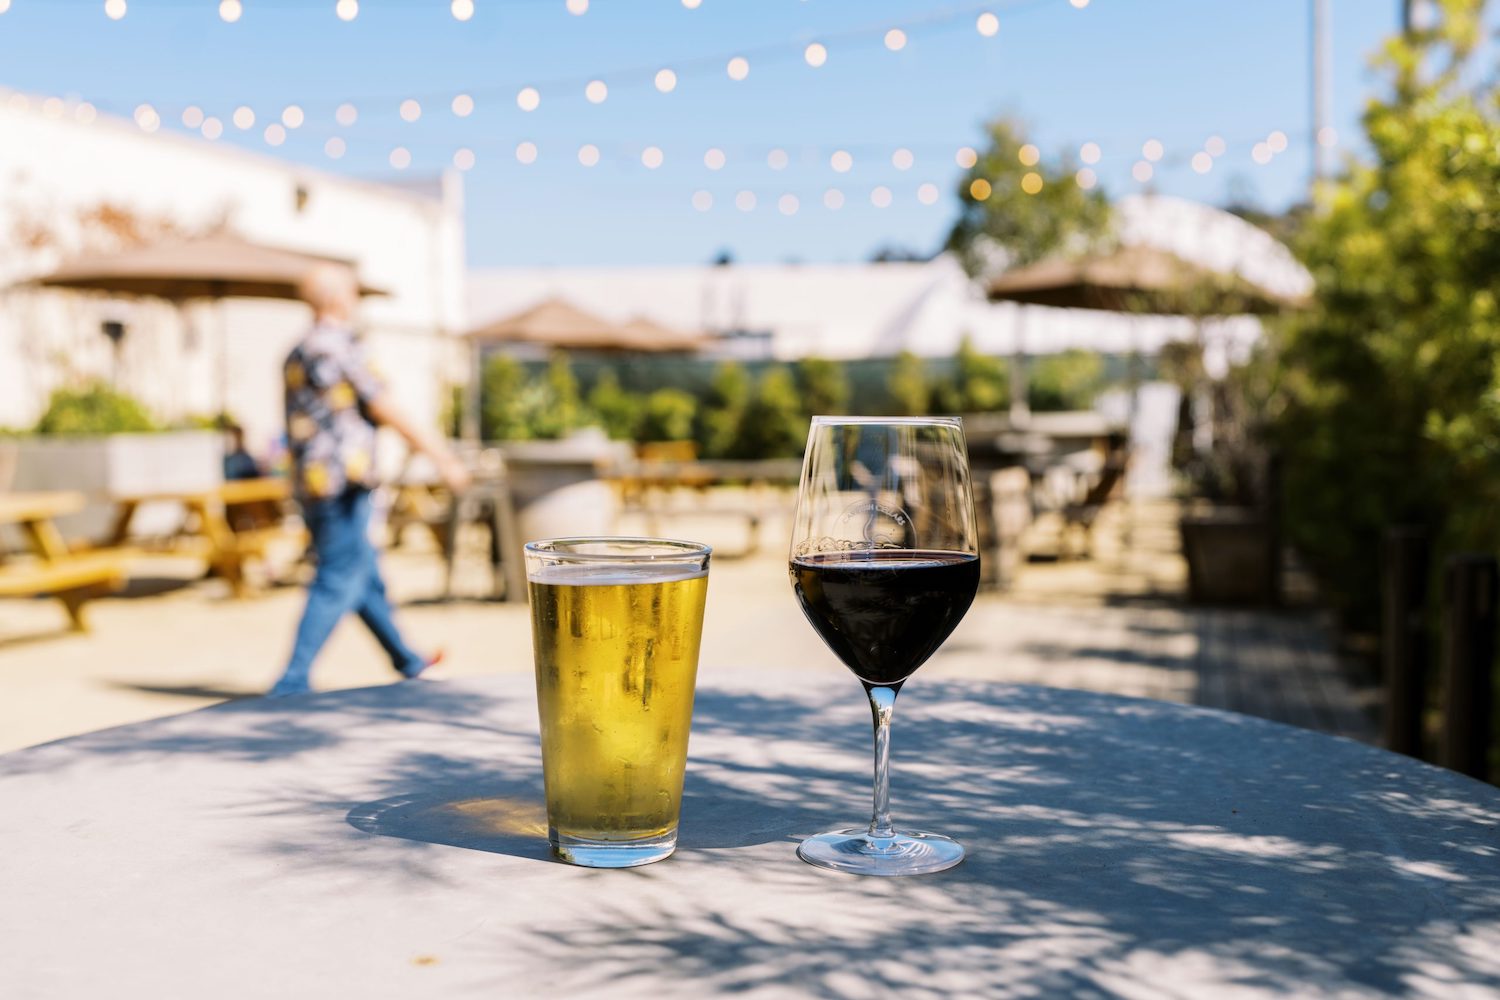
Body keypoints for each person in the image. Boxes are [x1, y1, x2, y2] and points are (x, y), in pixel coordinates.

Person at [267, 263, 471, 697]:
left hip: (314, 482)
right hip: (345, 483)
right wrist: (443, 457)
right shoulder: (339, 346)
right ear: (338, 299)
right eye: (353, 293)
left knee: (364, 575)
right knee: (339, 575)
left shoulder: (296, 351)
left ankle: (408, 661)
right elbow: (384, 406)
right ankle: (291, 683)